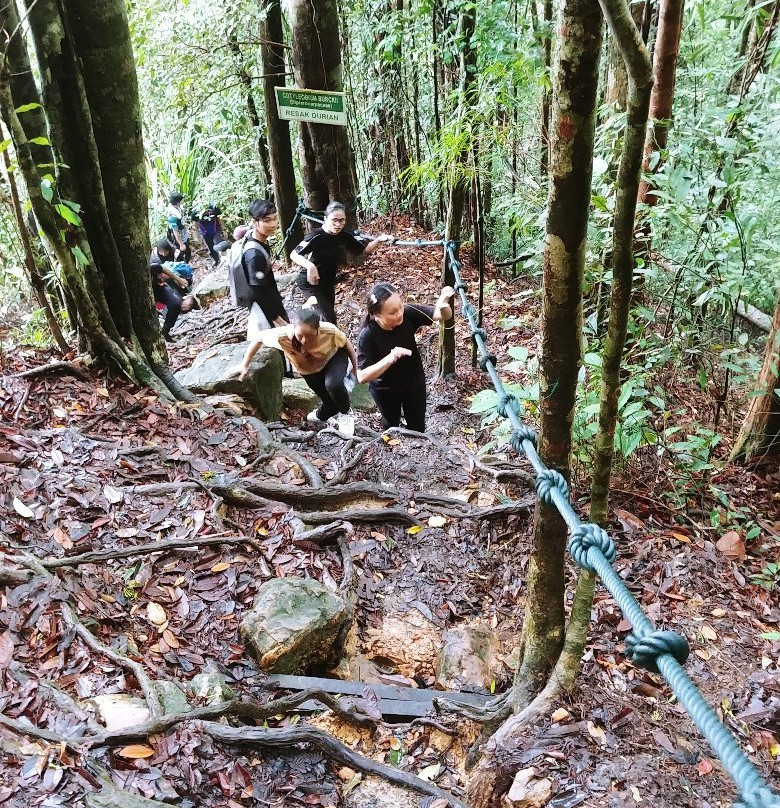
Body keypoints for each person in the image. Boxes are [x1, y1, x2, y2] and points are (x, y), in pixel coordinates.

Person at [236, 308, 358, 435]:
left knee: (333, 385)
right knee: (329, 403)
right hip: (310, 372)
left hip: (333, 358)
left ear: (318, 330)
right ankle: (320, 415)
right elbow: (259, 338)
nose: (304, 340)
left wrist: (356, 367)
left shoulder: (329, 331)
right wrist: (244, 364)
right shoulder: (283, 336)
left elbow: (346, 343)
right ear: (294, 329)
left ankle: (346, 414)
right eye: (300, 336)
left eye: (310, 336)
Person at [356, 282, 454, 433]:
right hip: (385, 390)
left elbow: (443, 316)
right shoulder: (367, 335)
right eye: (392, 312)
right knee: (391, 427)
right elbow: (362, 376)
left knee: (417, 427)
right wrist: (391, 357)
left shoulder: (408, 313)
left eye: (400, 306)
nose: (400, 313)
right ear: (377, 314)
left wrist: (442, 301)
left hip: (414, 384)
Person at [290, 201, 393, 325]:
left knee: (327, 318)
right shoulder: (315, 236)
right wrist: (310, 266)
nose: (338, 224)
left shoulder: (344, 236)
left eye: (342, 220)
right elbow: (294, 254)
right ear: (325, 219)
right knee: (329, 318)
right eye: (334, 220)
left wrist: (379, 240)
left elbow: (363, 251)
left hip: (328, 282)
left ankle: (323, 340)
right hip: (310, 284)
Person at [235, 199, 290, 371]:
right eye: (266, 220)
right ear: (254, 222)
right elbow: (257, 289)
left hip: (270, 301)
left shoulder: (258, 241)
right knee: (282, 343)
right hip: (266, 306)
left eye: (274, 218)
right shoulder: (253, 253)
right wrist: (277, 318)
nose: (273, 224)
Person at [150, 264, 199, 341]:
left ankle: (165, 331)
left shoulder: (150, 267)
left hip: (159, 288)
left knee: (175, 304)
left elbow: (162, 268)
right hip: (145, 295)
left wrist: (179, 280)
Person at [166, 191, 191, 262]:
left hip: (182, 232)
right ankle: (183, 266)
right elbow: (175, 231)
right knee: (183, 252)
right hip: (177, 236)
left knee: (187, 250)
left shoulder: (177, 208)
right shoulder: (173, 216)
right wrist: (181, 244)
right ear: (177, 202)